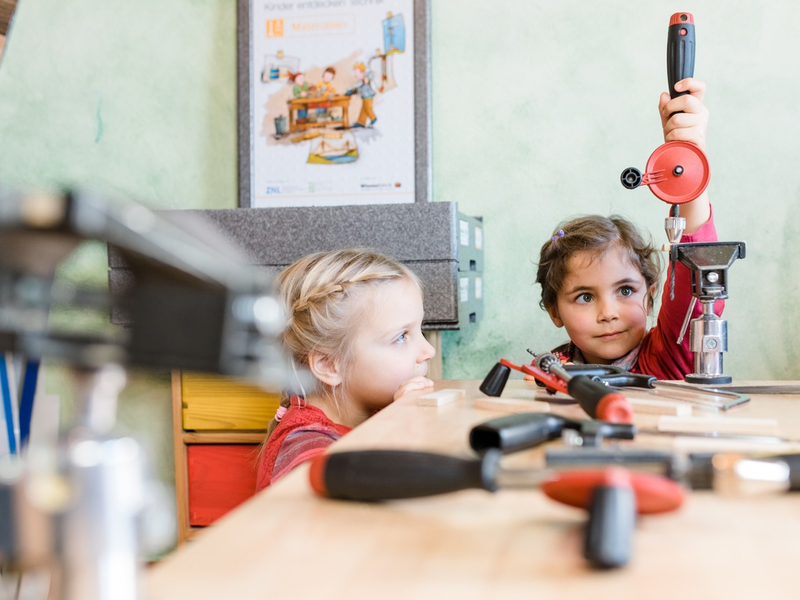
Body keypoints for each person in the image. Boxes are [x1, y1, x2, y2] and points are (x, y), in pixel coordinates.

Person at [533, 78, 713, 380]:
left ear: (651, 297)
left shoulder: (667, 355)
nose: (608, 313)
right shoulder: (552, 370)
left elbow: (693, 276)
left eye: (626, 290)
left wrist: (687, 156)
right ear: (554, 311)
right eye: (585, 297)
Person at [256, 248, 436, 491]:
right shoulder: (306, 446)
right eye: (401, 337)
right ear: (328, 365)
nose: (428, 351)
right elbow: (361, 502)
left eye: (420, 329)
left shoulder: (374, 411)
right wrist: (401, 429)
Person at [345, 62, 377, 127]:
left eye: (356, 72)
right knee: (364, 109)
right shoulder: (361, 81)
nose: (355, 74)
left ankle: (373, 118)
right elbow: (357, 87)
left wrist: (367, 77)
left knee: (368, 108)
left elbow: (372, 74)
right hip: (364, 96)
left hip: (368, 96)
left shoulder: (366, 78)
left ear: (362, 72)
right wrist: (350, 91)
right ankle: (361, 122)